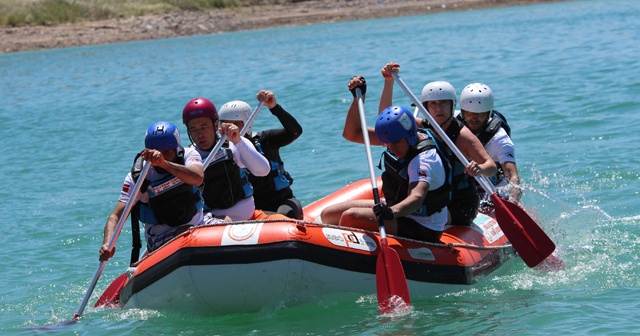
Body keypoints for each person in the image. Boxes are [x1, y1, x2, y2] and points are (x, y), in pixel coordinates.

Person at [378, 62, 497, 226]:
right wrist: (388, 82)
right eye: (433, 104)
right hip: (434, 198)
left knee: (405, 217)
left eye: (444, 103)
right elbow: (387, 120)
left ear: (452, 105)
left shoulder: (463, 136)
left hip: (459, 204)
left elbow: (491, 166)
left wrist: (479, 168)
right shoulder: (420, 127)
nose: (438, 109)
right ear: (425, 106)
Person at [320, 102, 450, 243]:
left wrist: (391, 212)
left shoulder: (424, 161)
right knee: (328, 214)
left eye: (394, 143)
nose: (391, 148)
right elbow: (352, 133)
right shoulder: (397, 137)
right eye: (387, 144)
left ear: (410, 135)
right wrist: (359, 98)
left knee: (350, 217)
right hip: (397, 209)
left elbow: (416, 198)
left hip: (423, 225)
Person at [99, 121, 207, 260]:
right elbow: (116, 216)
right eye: (158, 152)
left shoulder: (188, 155)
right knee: (185, 232)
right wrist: (108, 243)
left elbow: (197, 178)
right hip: (160, 236)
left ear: (176, 148)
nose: (161, 156)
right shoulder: (138, 177)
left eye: (167, 152)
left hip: (198, 224)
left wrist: (164, 163)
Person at [181, 97, 271, 222]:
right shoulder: (189, 158)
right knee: (226, 221)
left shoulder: (232, 143)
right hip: (214, 223)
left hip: (251, 217)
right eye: (193, 129)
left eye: (204, 127)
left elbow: (263, 171)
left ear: (215, 124)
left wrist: (238, 141)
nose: (200, 134)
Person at [218, 90, 304, 219]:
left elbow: (295, 132)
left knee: (285, 215)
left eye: (236, 124)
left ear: (247, 123)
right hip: (251, 209)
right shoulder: (220, 153)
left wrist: (274, 107)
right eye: (226, 125)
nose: (231, 129)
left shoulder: (266, 139)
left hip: (281, 201)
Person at [457, 83, 521, 202]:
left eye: (480, 114)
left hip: (494, 192)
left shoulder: (500, 139)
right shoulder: (453, 124)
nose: (474, 118)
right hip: (466, 189)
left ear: (488, 113)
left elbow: (513, 177)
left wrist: (513, 201)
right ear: (462, 112)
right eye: (469, 113)